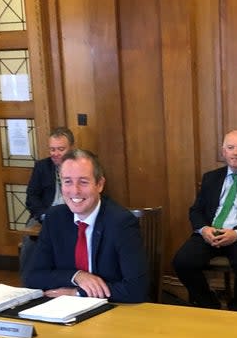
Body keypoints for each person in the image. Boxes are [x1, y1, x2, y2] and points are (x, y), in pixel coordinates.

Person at [23, 148, 148, 303]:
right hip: (64, 312)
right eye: (67, 181)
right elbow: (32, 277)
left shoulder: (121, 222)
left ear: (100, 184)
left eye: (83, 182)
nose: (75, 191)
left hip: (112, 311)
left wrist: (77, 293)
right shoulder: (55, 218)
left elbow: (136, 289)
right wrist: (77, 276)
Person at [172, 129, 237, 311]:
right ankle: (210, 306)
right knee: (182, 261)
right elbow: (196, 210)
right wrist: (204, 229)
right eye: (231, 147)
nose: (235, 152)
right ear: (223, 151)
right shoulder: (211, 178)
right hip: (212, 232)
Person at [20, 127, 75, 270]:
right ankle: (28, 284)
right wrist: (44, 215)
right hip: (45, 215)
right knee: (30, 242)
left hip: (73, 215)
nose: (55, 154)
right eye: (52, 149)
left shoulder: (81, 166)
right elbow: (31, 196)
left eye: (61, 149)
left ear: (72, 148)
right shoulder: (42, 166)